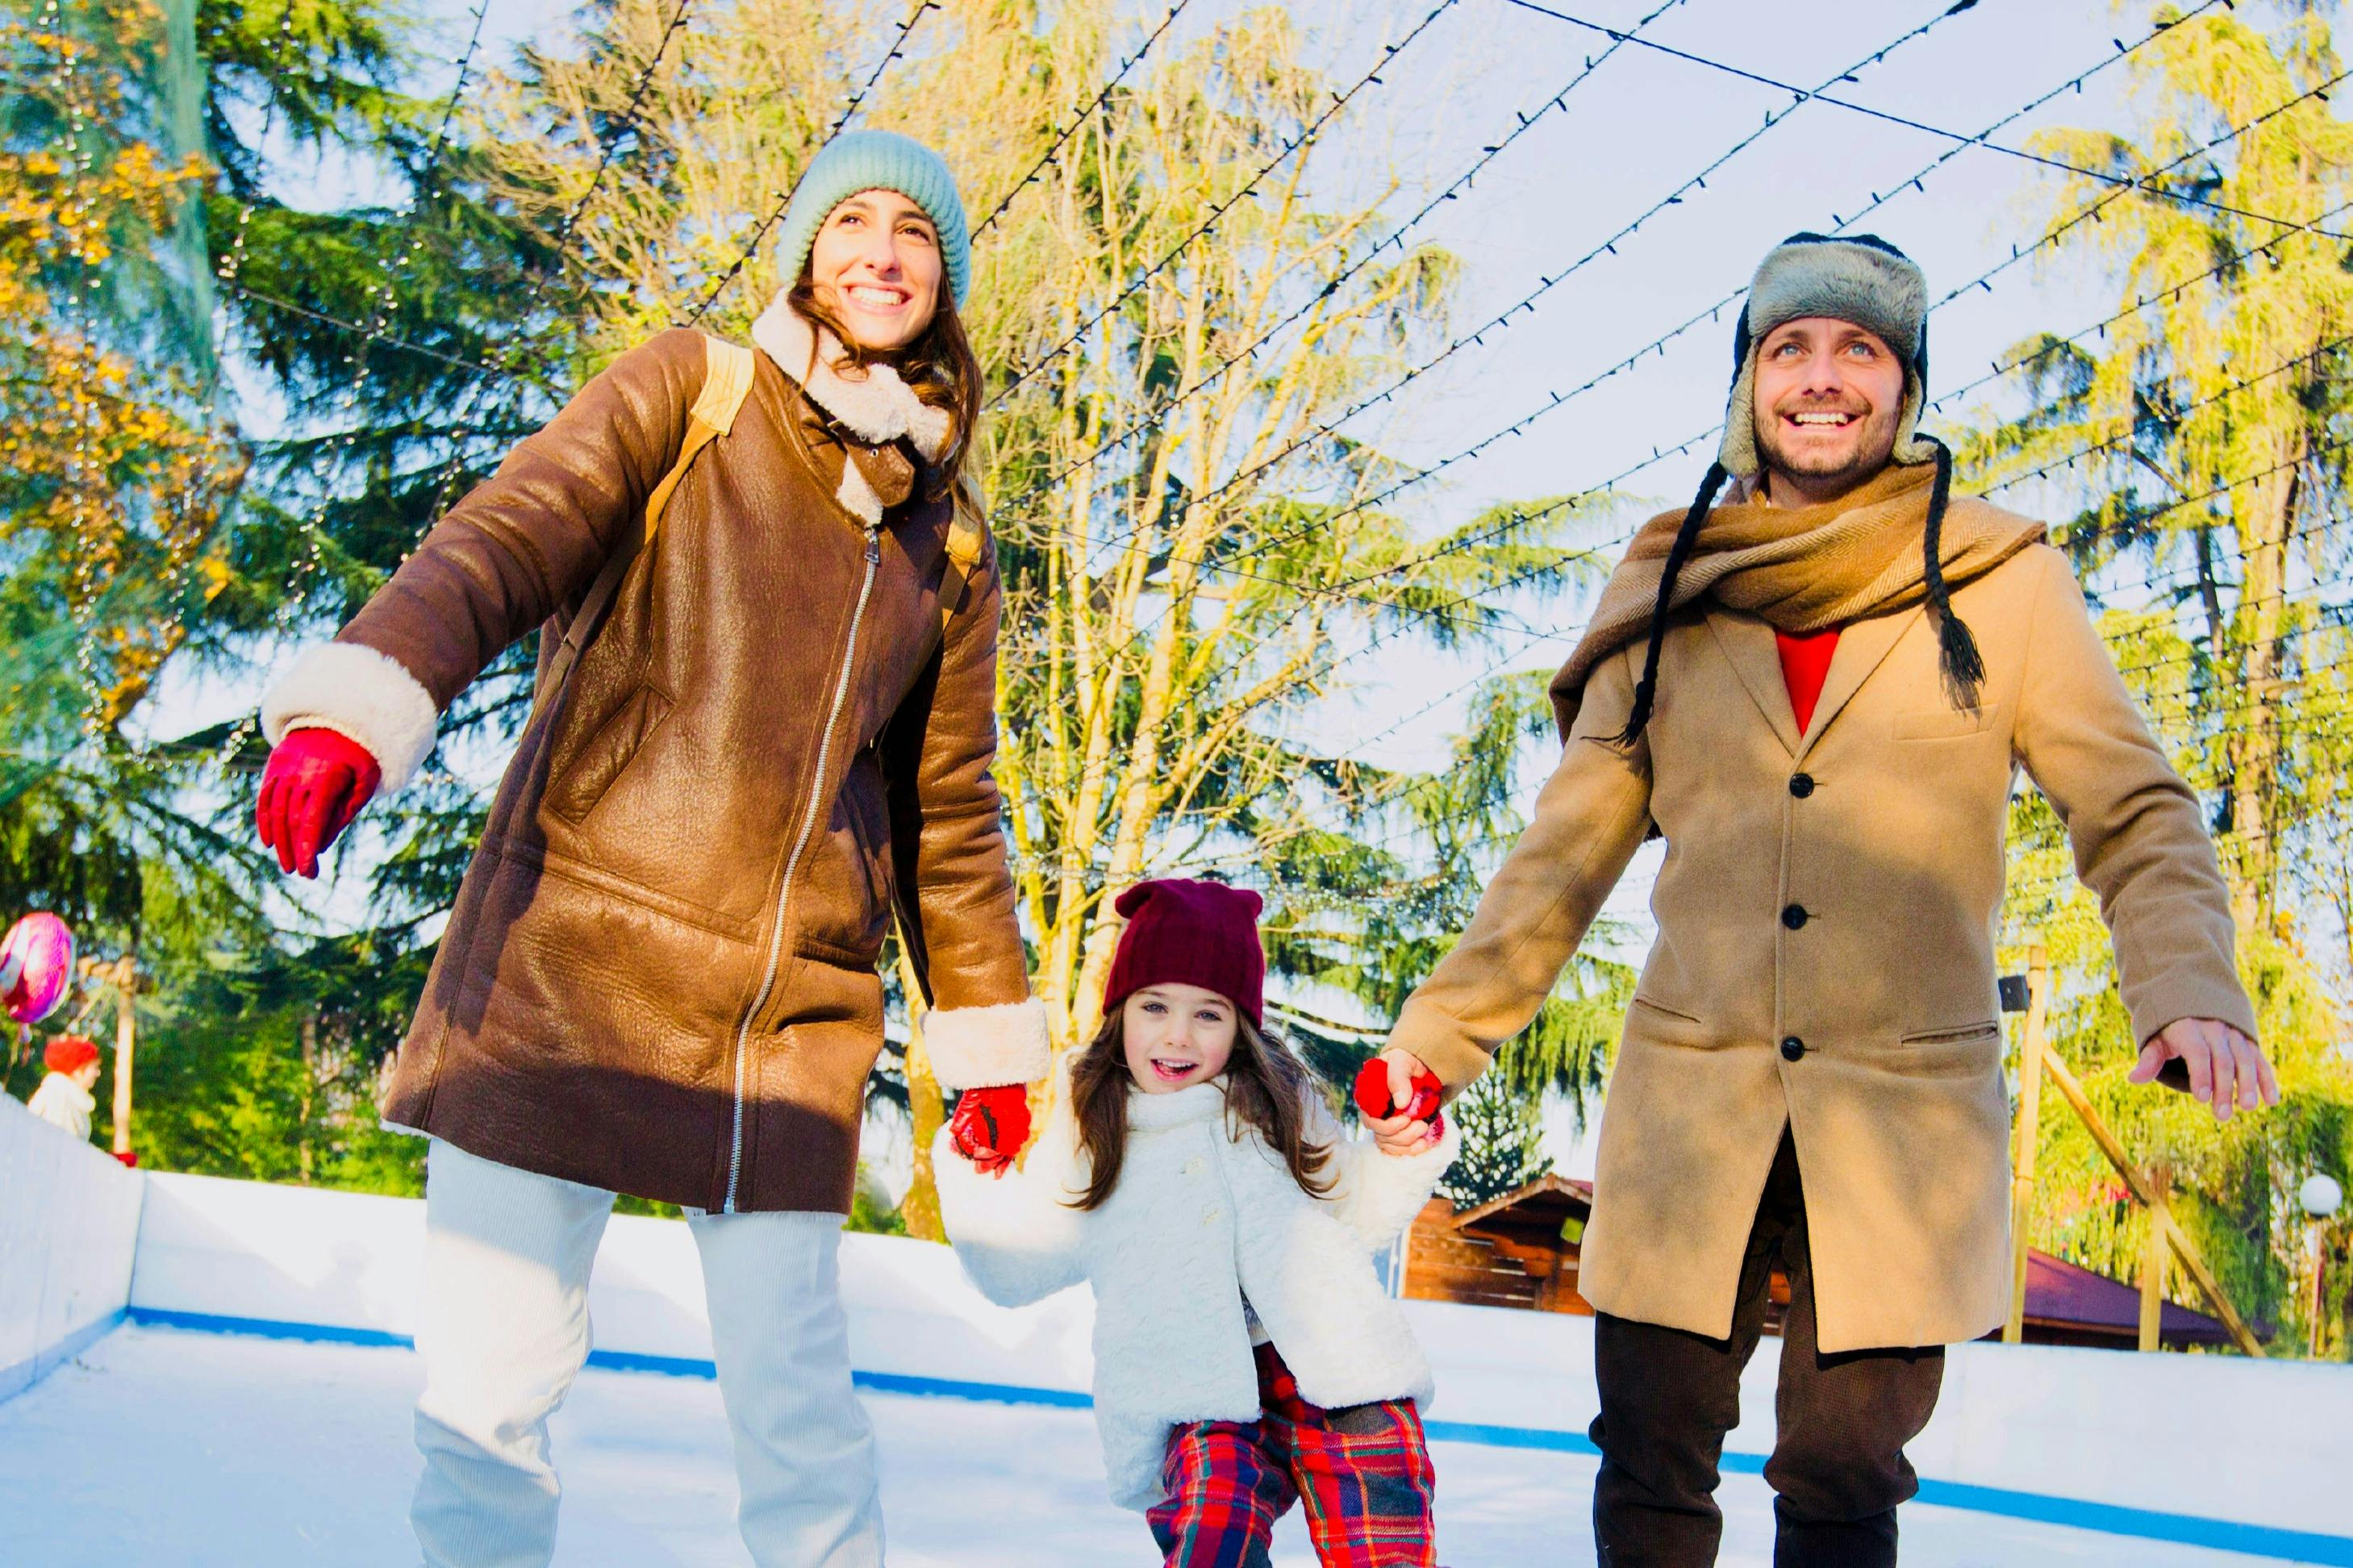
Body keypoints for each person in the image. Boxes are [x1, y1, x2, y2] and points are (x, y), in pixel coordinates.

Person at [1373, 232, 2281, 1566]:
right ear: (1747, 381)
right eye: (1788, 345)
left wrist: (2187, 987)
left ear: (1904, 391)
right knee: (1649, 1453)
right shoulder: (1674, 586)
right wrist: (1438, 1038)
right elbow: (1561, 853)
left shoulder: (2001, 580)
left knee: (1846, 1470)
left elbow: (2132, 802)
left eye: (1860, 347)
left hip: (1904, 1120)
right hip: (1693, 1101)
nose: (1821, 374)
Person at [249, 130, 1049, 1567]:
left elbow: (951, 815)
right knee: (491, 1401)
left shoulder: (956, 545)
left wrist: (985, 1045)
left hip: (781, 1018)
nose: (880, 251)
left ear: (944, 279)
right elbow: (513, 531)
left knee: (803, 1422)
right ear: (806, 252)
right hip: (563, 965)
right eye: (850, 222)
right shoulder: (695, 385)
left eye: (914, 235)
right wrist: (368, 702)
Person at [937, 878, 1460, 1566]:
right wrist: (979, 1159)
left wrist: (1400, 1149)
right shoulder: (1093, 1127)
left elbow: (1353, 1211)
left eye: (1208, 1014)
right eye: (1154, 1006)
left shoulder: (1278, 1106)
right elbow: (1015, 1264)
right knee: (1213, 1529)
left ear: (1239, 1025)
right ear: (1120, 1013)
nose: (1177, 1035)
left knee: (1383, 1519)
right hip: (1195, 1387)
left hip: (1333, 1360)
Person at [24, 1035, 101, 1142]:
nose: (98, 1073)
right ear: (77, 1070)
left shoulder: (72, 1097)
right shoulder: (58, 1098)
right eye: (95, 1067)